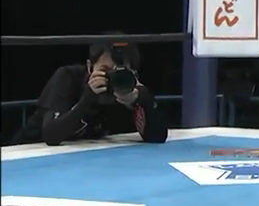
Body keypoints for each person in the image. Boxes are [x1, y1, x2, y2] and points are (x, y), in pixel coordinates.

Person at [10, 39, 168, 146]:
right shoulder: (68, 77)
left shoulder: (128, 89)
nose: (112, 77)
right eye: (105, 70)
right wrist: (87, 98)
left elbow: (158, 137)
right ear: (89, 66)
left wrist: (142, 99)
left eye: (120, 71)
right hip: (28, 153)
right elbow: (50, 135)